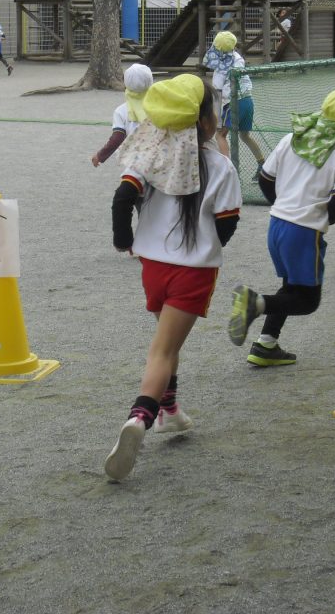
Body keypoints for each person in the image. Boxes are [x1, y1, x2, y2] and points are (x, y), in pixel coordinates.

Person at [104, 74, 241, 481]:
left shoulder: (149, 156)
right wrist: (205, 244)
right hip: (192, 271)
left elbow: (122, 196)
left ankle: (171, 411)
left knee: (166, 342)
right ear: (202, 120)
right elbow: (227, 225)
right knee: (162, 351)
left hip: (153, 268)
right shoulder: (220, 165)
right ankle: (139, 418)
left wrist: (124, 239)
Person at [228, 88, 335, 366]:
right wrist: (319, 219)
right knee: (307, 301)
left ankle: (266, 344)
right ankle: (255, 303)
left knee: (291, 285)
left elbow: (265, 179)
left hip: (277, 225)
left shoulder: (289, 139)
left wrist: (283, 205)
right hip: (305, 231)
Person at [91, 63, 153, 167]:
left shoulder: (121, 111)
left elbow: (117, 138)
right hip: (158, 157)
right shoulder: (159, 106)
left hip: (134, 161)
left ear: (125, 84)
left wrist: (100, 155)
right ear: (151, 81)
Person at [201, 30, 242, 156]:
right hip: (243, 98)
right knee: (244, 134)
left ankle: (227, 163)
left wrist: (217, 119)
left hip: (228, 102)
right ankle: (260, 160)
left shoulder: (222, 65)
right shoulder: (238, 58)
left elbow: (217, 90)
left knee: (220, 135)